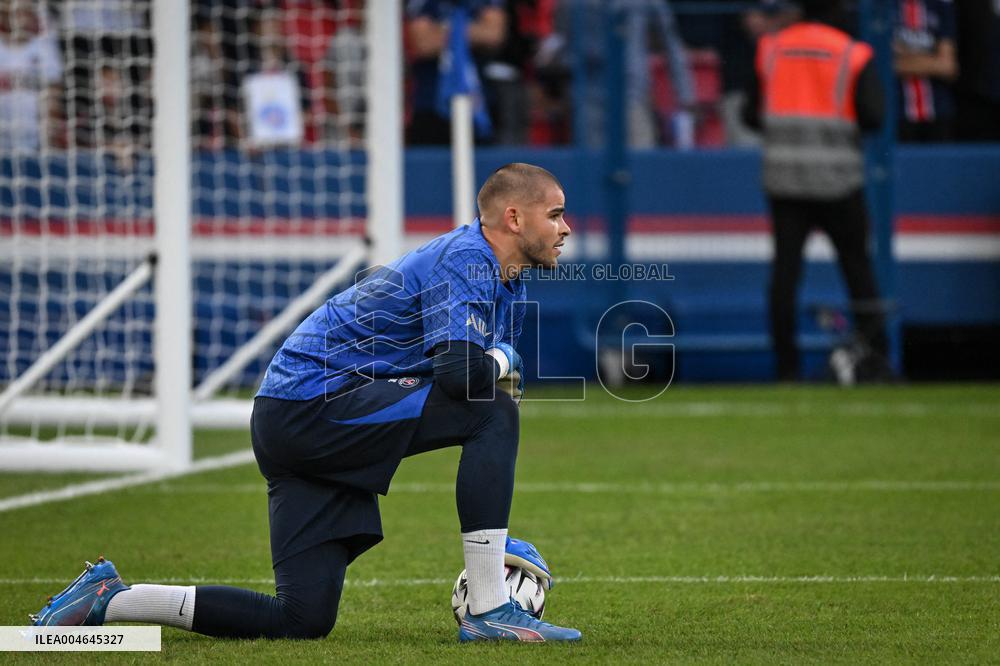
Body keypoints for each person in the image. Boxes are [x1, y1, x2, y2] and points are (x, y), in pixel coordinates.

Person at [30, 163, 581, 644]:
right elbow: (463, 378)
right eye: (555, 214)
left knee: (301, 618)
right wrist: (506, 361)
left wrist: (496, 527)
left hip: (293, 419)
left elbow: (480, 381)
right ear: (513, 218)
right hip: (313, 404)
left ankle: (110, 598)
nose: (566, 227)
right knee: (491, 412)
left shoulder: (506, 279)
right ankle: (488, 609)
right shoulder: (466, 257)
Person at [742, 0, 891, 382]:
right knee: (857, 268)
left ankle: (786, 368)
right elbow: (874, 115)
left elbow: (750, 114)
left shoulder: (772, 48)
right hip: (840, 180)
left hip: (785, 180)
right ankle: (875, 360)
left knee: (785, 274)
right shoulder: (852, 53)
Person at [405, 0, 507, 145]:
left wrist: (445, 30)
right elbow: (424, 44)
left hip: (480, 102)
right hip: (430, 101)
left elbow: (493, 34)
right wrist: (469, 30)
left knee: (484, 163)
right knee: (429, 162)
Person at [893, 0, 958, 142]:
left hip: (937, 111)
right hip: (895, 110)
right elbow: (881, 64)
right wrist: (931, 61)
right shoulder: (882, 6)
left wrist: (901, 57)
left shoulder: (941, 5)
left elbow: (947, 66)